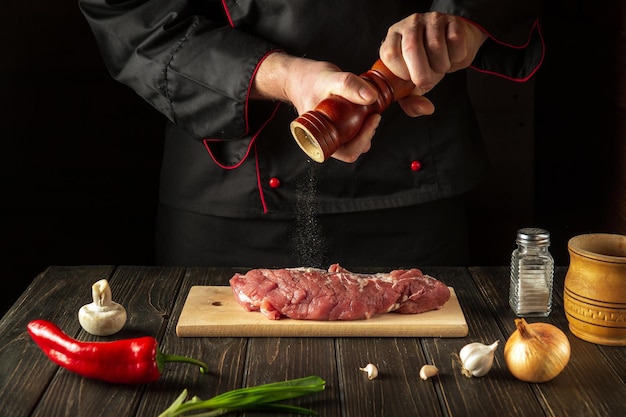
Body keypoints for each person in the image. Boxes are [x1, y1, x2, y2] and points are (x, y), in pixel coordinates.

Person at [78, 1, 544, 268]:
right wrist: (283, 77)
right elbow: (127, 15)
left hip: (413, 193)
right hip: (233, 199)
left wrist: (465, 18)